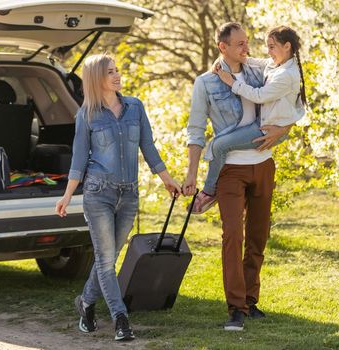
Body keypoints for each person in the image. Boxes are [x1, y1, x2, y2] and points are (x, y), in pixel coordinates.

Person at [55, 54, 181, 341]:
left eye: (116, 70)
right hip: (98, 194)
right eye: (109, 72)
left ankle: (86, 302)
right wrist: (67, 195)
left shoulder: (135, 107)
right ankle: (120, 318)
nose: (116, 76)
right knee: (105, 258)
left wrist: (167, 180)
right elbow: (78, 160)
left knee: (107, 260)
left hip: (129, 195)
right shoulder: (86, 116)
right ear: (95, 79)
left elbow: (148, 147)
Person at [183, 22, 295, 331]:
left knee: (258, 235)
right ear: (223, 47)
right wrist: (193, 174)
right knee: (233, 235)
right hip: (230, 170)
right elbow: (196, 132)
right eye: (240, 44)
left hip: (264, 164)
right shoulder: (205, 83)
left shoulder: (261, 74)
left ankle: (250, 299)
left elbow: (287, 107)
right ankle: (236, 307)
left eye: (247, 42)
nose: (247, 48)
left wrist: (284, 130)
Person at [193, 25, 307, 212]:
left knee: (219, 145)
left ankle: (209, 191)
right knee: (219, 145)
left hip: (267, 129)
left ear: (287, 46)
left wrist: (232, 82)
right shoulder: (277, 64)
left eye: (271, 47)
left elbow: (259, 96)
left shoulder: (287, 74)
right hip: (264, 124)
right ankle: (211, 189)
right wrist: (221, 60)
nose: (268, 52)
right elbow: (251, 60)